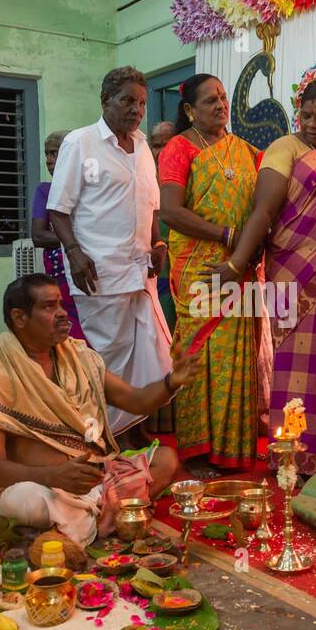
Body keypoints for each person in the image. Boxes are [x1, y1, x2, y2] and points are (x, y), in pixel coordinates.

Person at [0, 275, 194, 547]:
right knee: (28, 501)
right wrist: (54, 476)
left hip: (96, 481)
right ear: (19, 317)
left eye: (60, 304)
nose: (61, 313)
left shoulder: (80, 357)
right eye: (49, 307)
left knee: (165, 460)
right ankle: (101, 515)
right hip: (42, 487)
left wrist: (171, 382)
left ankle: (82, 520)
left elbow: (137, 400)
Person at [213, 79, 316, 478]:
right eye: (306, 115)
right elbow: (264, 213)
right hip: (293, 269)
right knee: (297, 365)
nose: (312, 124)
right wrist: (235, 265)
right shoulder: (285, 148)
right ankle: (296, 456)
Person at [47, 66, 173, 446]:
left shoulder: (143, 149)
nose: (136, 110)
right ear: (105, 101)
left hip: (140, 272)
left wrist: (158, 244)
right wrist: (74, 252)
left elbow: (150, 206)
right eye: (127, 101)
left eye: (141, 103)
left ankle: (131, 425)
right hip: (99, 271)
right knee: (110, 358)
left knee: (151, 355)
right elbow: (58, 208)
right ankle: (110, 435)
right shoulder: (80, 143)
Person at [159, 75, 262, 478]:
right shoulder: (178, 148)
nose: (220, 105)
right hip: (199, 269)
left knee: (237, 353)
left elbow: (262, 208)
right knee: (199, 353)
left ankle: (233, 448)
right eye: (209, 101)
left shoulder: (248, 153)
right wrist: (227, 235)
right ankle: (197, 452)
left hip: (239, 268)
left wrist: (245, 252)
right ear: (189, 110)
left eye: (222, 97)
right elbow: (171, 211)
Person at [30, 130, 85, 340]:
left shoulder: (88, 189)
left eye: (54, 153)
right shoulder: (46, 191)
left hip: (91, 273)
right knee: (71, 335)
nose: (49, 160)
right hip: (62, 276)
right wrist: (80, 239)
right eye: (47, 154)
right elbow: (39, 236)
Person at [148, 120, 179, 436]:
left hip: (182, 272)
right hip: (152, 271)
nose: (162, 150)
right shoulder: (144, 178)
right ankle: (158, 419)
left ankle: (181, 417)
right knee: (155, 344)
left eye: (167, 142)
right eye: (155, 144)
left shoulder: (184, 177)